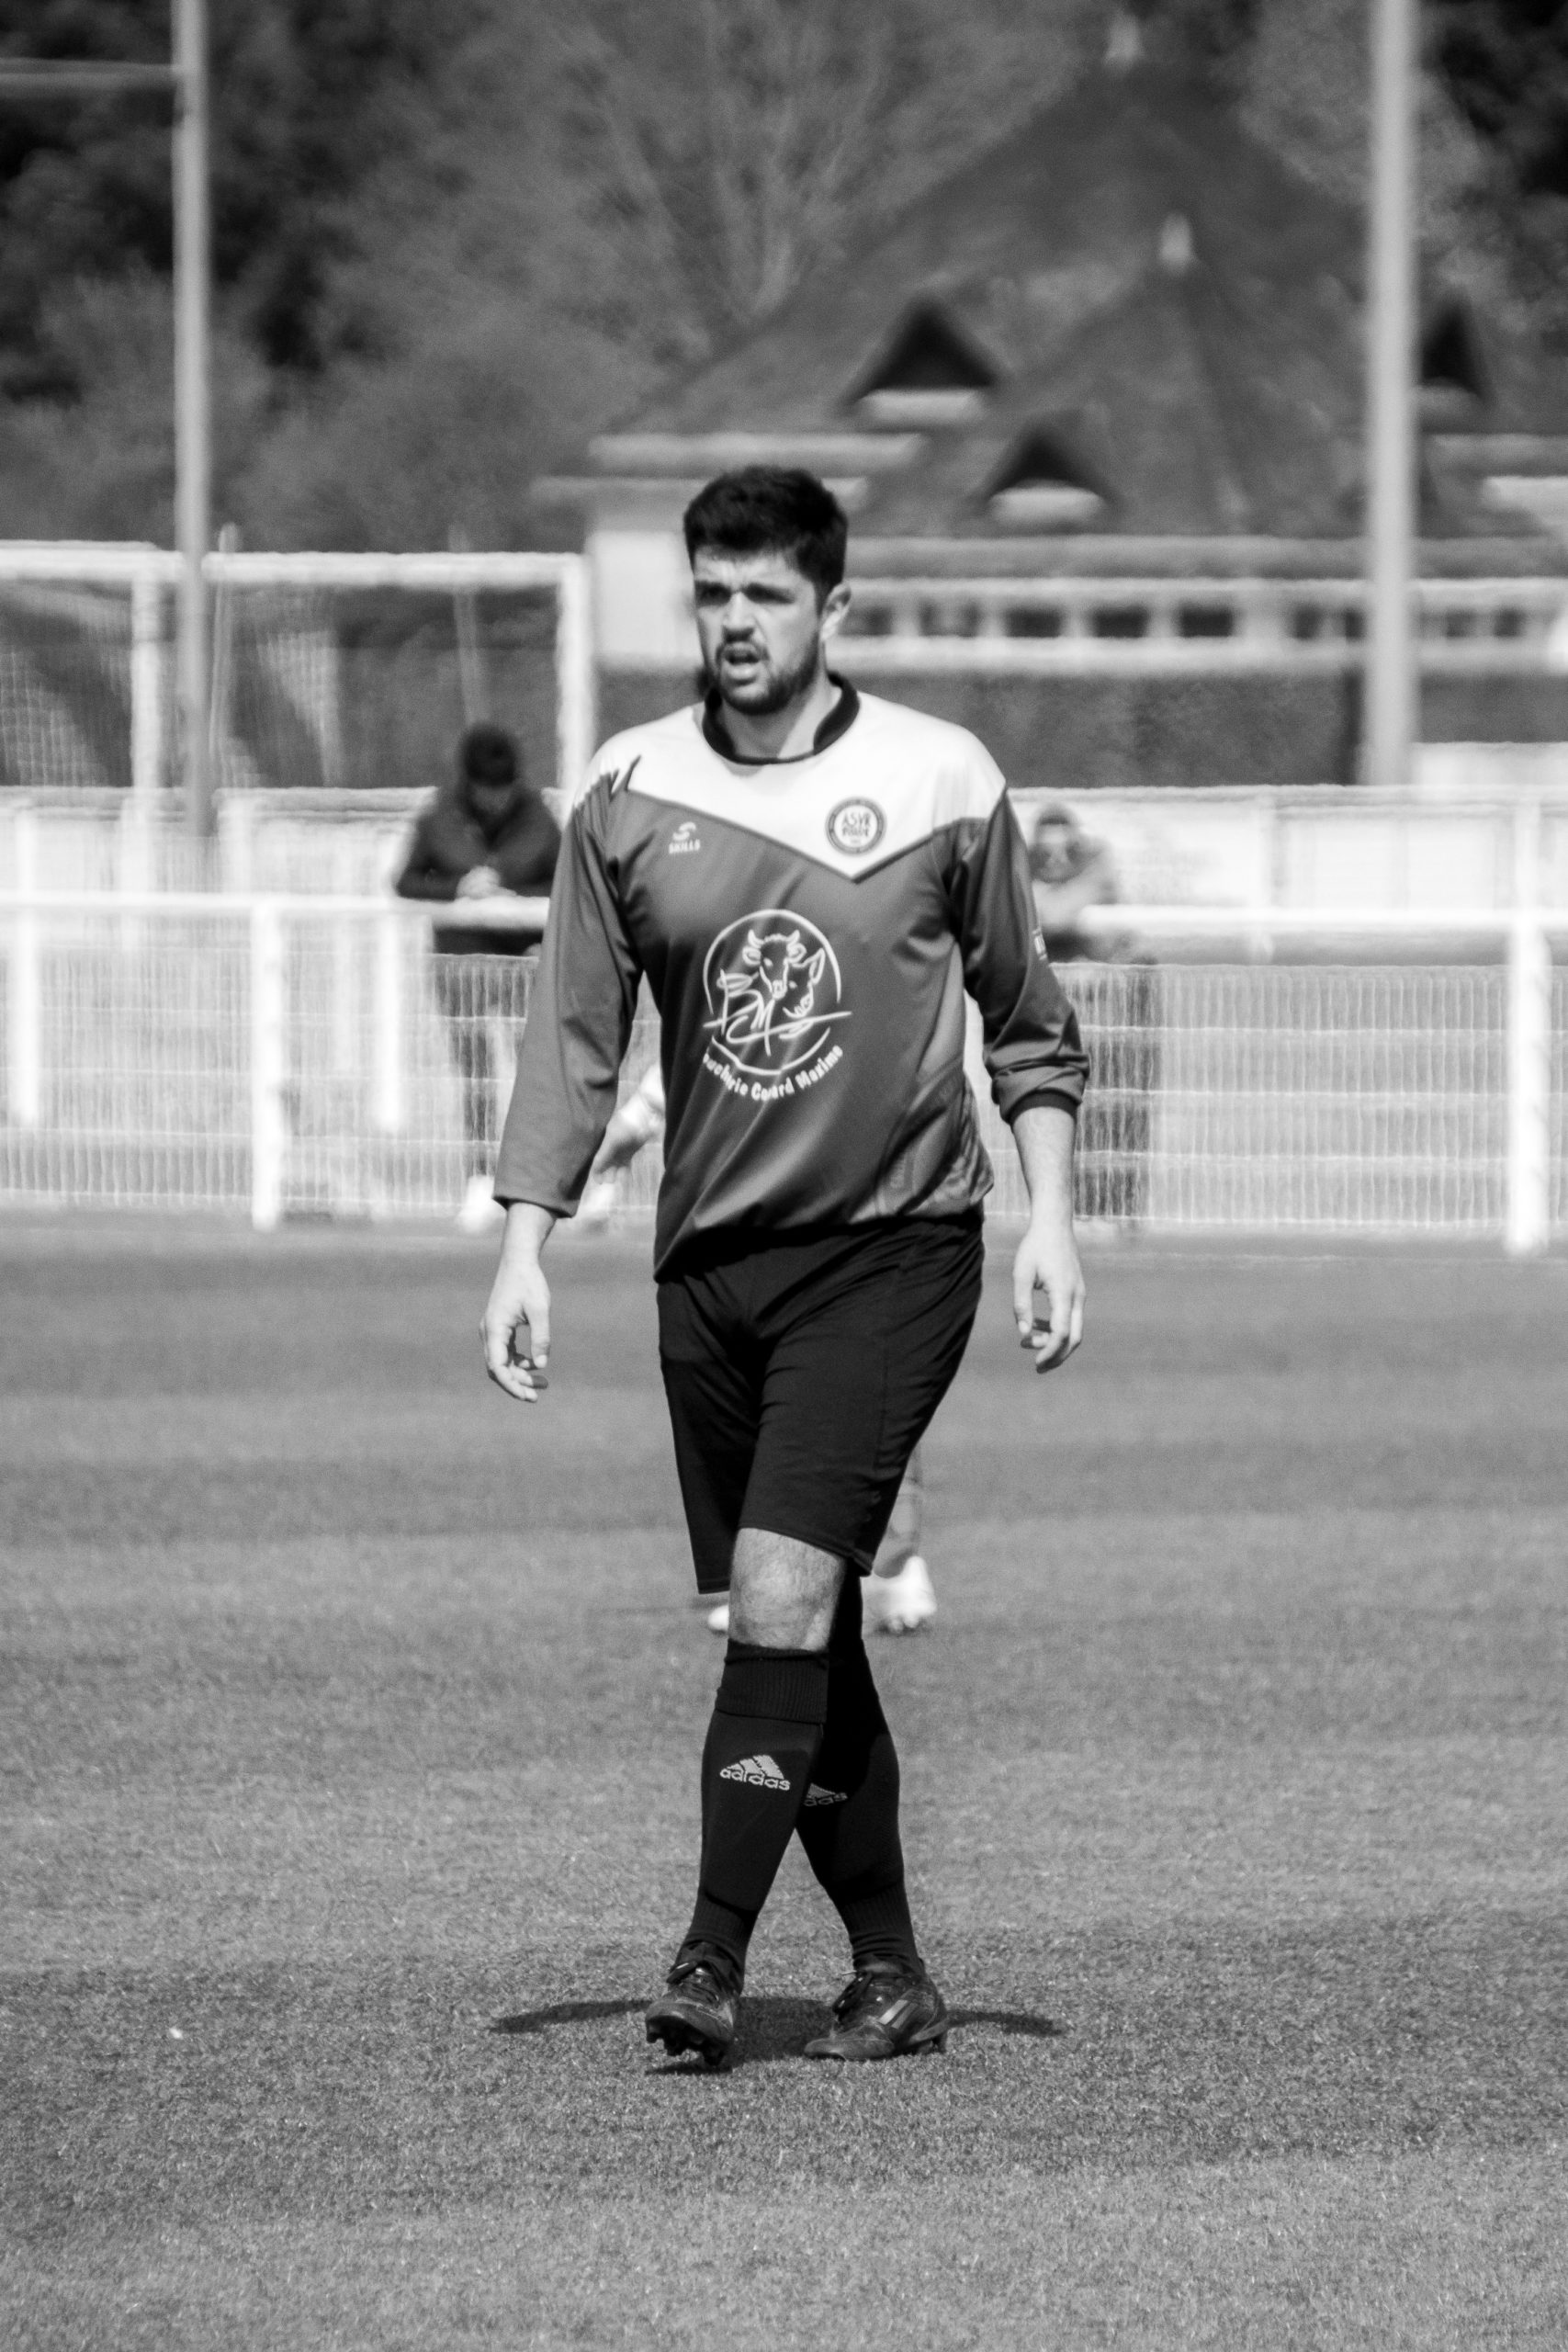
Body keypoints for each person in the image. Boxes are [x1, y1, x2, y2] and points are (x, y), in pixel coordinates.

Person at [482, 466, 1089, 2069]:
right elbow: (572, 1036)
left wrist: (1048, 1216)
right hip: (707, 1269)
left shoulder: (939, 779)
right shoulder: (627, 787)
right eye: (713, 593)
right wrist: (525, 1244)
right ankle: (890, 1973)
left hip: (891, 1252)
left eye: (765, 594)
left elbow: (1027, 1022)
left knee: (779, 1593)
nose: (735, 621)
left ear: (833, 607)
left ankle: (705, 1959)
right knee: (789, 1634)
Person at [583, 1064, 940, 1636]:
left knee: (868, 1378)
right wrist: (643, 1113)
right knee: (765, 1377)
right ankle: (776, 1579)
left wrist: (642, 1114)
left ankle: (887, 1565)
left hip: (864, 1183)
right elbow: (727, 1035)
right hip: (761, 1197)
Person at [395, 722, 560, 1232]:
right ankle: (480, 1177)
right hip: (460, 963)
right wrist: (458, 888)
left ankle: (537, 1181)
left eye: (502, 788)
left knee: (536, 1072)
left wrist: (513, 894)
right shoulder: (439, 815)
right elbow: (405, 881)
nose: (495, 799)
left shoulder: (539, 818)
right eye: (487, 788)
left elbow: (566, 881)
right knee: (476, 1075)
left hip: (522, 962)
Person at [1029, 799, 1158, 1228]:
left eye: (1064, 849)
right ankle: (1072, 1211)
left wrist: (1050, 901)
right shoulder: (1016, 867)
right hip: (1060, 1019)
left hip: (1116, 1012)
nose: (1055, 859)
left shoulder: (1098, 863)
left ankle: (1118, 1211)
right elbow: (1044, 915)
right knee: (1057, 1112)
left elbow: (1055, 913)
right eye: (1047, 851)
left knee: (1118, 1111)